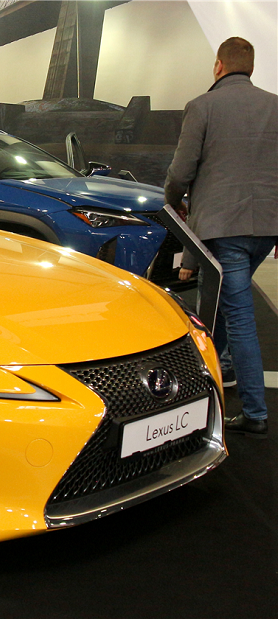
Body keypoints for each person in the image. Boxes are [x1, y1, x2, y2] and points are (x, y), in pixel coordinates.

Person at [165, 36, 278, 438]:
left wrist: (172, 201)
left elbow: (181, 171)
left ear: (219, 66)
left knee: (241, 316)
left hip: (223, 227)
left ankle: (255, 411)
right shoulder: (275, 105)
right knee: (226, 301)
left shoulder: (202, 106)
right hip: (265, 227)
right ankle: (223, 367)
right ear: (250, 65)